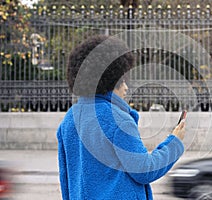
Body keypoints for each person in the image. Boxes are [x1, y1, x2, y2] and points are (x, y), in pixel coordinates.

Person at [56, 34, 186, 200]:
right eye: (123, 80)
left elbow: (66, 181)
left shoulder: (69, 120)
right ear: (112, 79)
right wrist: (174, 142)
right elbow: (144, 170)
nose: (126, 88)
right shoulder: (117, 120)